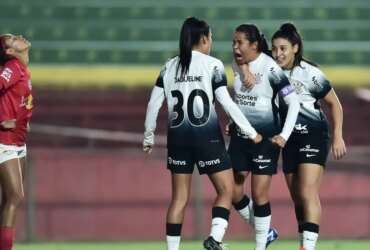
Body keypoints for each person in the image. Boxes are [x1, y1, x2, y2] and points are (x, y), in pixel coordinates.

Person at [143, 17, 262, 250]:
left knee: (178, 199)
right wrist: (250, 131)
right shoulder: (213, 65)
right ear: (205, 39)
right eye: (211, 38)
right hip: (206, 136)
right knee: (227, 190)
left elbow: (152, 105)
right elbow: (226, 103)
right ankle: (215, 239)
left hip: (177, 138)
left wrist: (148, 136)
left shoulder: (168, 67)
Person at [271, 23, 346, 250]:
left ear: (295, 47)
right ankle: (304, 241)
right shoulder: (270, 74)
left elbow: (335, 104)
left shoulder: (310, 73)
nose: (278, 53)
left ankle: (309, 247)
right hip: (288, 140)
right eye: (274, 49)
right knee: (298, 198)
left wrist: (338, 136)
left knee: (307, 192)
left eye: (283, 48)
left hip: (313, 134)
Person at [227, 24, 300, 250]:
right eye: (233, 42)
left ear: (254, 45)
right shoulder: (236, 64)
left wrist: (284, 136)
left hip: (266, 138)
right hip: (241, 136)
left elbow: (294, 103)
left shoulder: (272, 70)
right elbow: (239, 97)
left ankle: (260, 246)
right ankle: (265, 232)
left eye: (239, 42)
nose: (235, 47)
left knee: (259, 194)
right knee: (232, 190)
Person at [0, 34, 33, 250]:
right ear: (10, 51)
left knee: (9, 200)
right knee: (15, 196)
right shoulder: (11, 67)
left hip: (19, 142)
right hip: (5, 142)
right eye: (12, 39)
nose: (19, 37)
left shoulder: (22, 69)